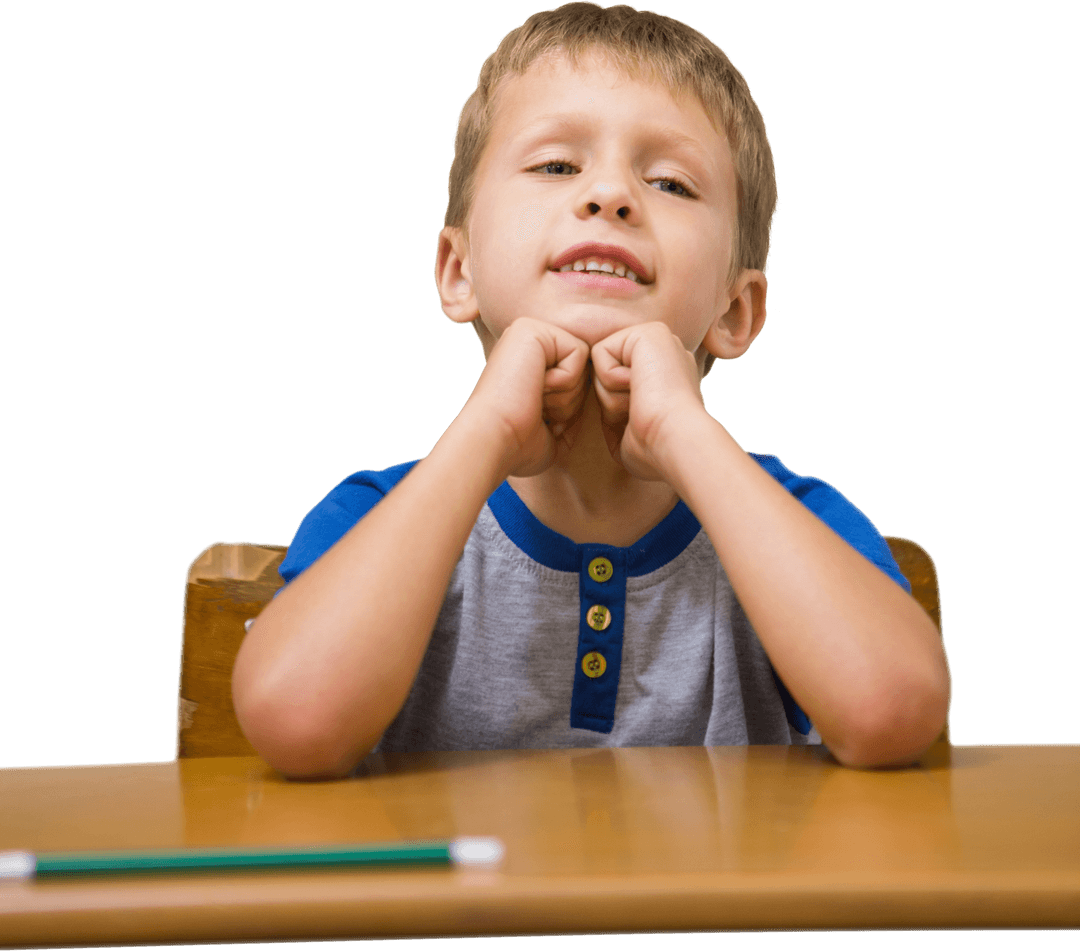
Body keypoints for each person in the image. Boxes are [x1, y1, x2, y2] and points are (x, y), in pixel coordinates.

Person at [231, 2, 952, 780]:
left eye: (672, 182)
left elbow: (893, 711)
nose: (610, 194)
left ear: (737, 311)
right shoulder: (374, 519)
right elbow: (296, 720)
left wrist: (688, 434)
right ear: (458, 269)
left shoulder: (794, 524)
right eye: (556, 166)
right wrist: (483, 430)